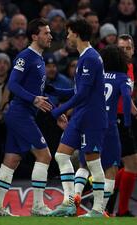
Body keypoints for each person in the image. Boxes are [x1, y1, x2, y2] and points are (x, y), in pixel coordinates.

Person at [0, 18, 66, 216]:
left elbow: (47, 89)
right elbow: (13, 84)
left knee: (11, 160)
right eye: (46, 33)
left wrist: (74, 93)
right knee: (44, 156)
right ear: (34, 36)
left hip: (22, 114)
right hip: (19, 114)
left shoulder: (40, 59)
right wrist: (33, 100)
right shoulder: (25, 56)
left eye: (50, 33)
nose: (50, 36)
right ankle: (38, 206)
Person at [49, 18, 108, 217]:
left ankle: (98, 209)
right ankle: (68, 203)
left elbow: (83, 94)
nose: (67, 36)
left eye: (68, 32)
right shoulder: (85, 56)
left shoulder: (90, 57)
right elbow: (79, 90)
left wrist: (60, 110)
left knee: (92, 163)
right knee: (61, 155)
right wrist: (55, 90)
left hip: (91, 117)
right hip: (81, 116)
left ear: (76, 33)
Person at [73, 45, 132, 216]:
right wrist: (127, 121)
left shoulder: (97, 75)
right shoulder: (122, 77)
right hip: (110, 126)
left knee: (85, 163)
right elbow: (127, 98)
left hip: (91, 124)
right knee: (111, 168)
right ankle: (100, 209)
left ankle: (75, 196)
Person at [113, 34, 137, 217]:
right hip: (118, 119)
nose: (124, 51)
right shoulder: (118, 69)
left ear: (133, 50)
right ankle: (121, 211)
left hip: (123, 119)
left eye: (127, 48)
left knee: (124, 164)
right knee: (131, 163)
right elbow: (125, 97)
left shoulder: (130, 67)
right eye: (121, 48)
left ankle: (108, 203)